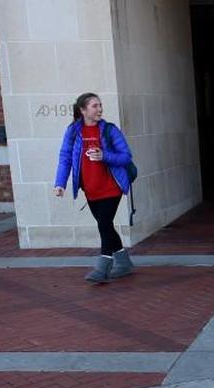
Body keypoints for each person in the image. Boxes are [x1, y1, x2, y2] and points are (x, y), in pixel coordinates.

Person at [53, 92, 135, 283]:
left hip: (111, 187)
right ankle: (124, 263)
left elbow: (126, 156)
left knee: (104, 225)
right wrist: (60, 183)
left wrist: (104, 155)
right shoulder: (73, 131)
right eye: (95, 106)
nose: (100, 109)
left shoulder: (109, 130)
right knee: (106, 226)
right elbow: (65, 158)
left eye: (100, 105)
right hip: (90, 189)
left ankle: (102, 267)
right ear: (83, 110)